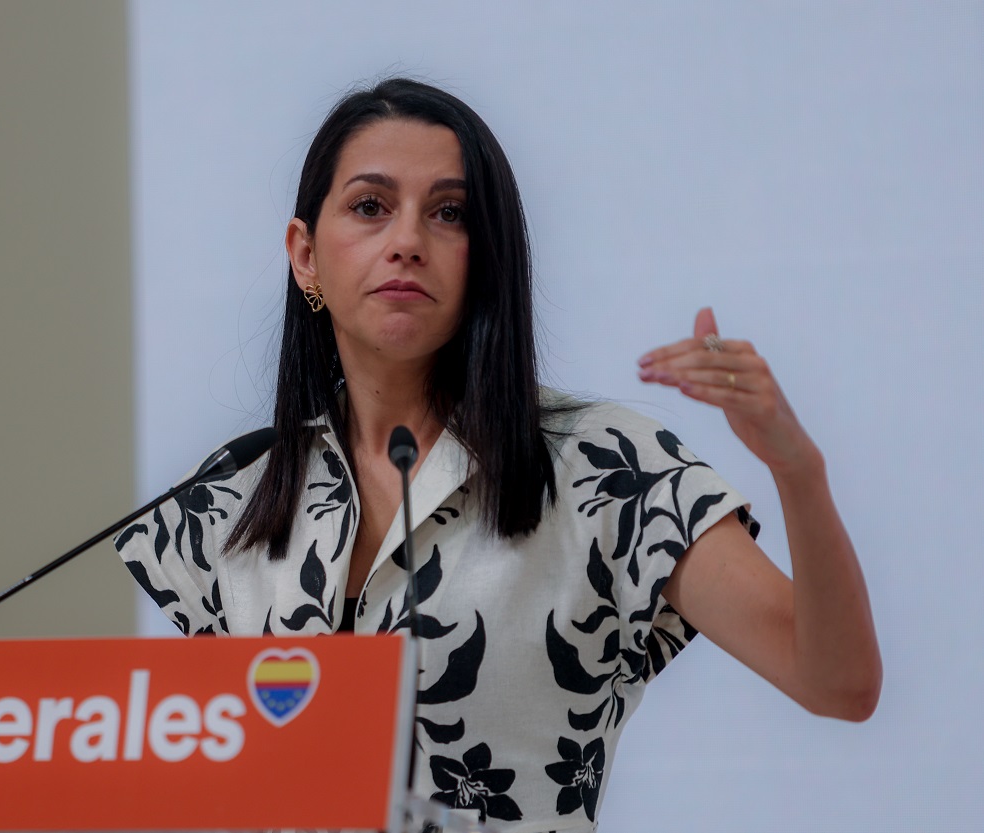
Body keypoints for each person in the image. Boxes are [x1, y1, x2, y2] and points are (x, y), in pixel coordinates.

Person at [115, 78, 881, 831]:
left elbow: (839, 684)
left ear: (487, 258)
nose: (407, 241)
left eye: (449, 213)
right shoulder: (227, 495)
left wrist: (797, 469)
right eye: (370, 207)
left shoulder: (606, 469)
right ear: (305, 254)